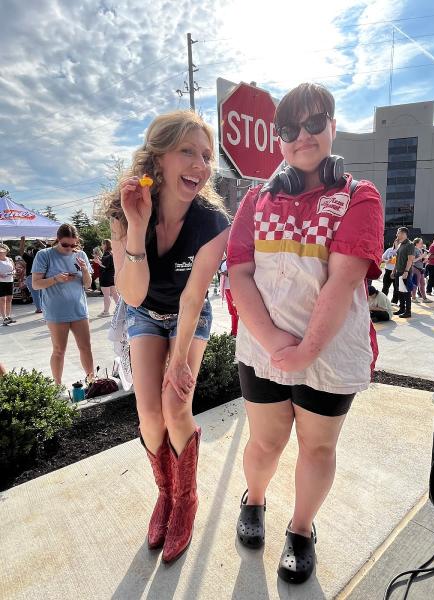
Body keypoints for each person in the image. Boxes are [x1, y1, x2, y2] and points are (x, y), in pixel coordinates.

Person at [227, 82, 383, 585]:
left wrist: (307, 350)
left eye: (315, 123)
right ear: (279, 139)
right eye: (289, 129)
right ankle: (253, 500)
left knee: (317, 449)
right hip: (262, 348)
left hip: (330, 356)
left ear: (333, 127)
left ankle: (300, 529)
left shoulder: (359, 196)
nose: (302, 136)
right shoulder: (255, 198)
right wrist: (276, 344)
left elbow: (344, 278)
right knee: (266, 444)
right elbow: (240, 273)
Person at [105, 110, 230, 563]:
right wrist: (136, 229)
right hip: (144, 311)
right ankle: (166, 494)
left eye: (206, 156)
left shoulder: (213, 222)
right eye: (188, 152)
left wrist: (179, 360)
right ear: (159, 156)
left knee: (176, 404)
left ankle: (188, 499)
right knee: (148, 414)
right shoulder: (124, 209)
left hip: (187, 314)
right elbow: (133, 294)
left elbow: (195, 296)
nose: (200, 164)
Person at [31, 223, 94, 385]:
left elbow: (87, 284)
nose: (69, 248)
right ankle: (57, 386)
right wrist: (56, 279)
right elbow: (36, 284)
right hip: (56, 311)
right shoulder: (44, 255)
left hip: (79, 309)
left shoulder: (80, 255)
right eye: (65, 244)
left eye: (73, 245)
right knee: (59, 350)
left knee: (85, 347)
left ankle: (92, 380)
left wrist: (85, 270)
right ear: (57, 240)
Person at [393, 227, 415, 319]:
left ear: (403, 233)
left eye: (398, 233)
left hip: (405, 272)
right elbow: (397, 259)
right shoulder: (400, 244)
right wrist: (394, 270)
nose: (397, 235)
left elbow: (410, 260)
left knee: (406, 292)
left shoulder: (410, 244)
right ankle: (401, 309)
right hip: (398, 271)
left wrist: (406, 271)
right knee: (400, 292)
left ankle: (408, 311)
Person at [94, 239, 119, 317]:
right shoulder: (112, 253)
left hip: (105, 276)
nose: (101, 246)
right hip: (112, 276)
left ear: (105, 244)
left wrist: (97, 262)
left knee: (106, 295)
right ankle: (121, 310)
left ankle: (106, 311)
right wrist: (100, 261)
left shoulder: (107, 253)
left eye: (102, 244)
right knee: (115, 294)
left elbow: (105, 265)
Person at [19, 238, 45, 313]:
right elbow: (46, 248)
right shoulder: (42, 259)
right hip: (40, 277)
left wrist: (23, 239)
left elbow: (21, 251)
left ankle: (39, 308)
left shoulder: (30, 258)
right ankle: (41, 308)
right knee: (40, 294)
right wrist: (39, 241)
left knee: (36, 293)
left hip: (32, 277)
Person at [220, 257, 239, 336]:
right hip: (227, 288)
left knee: (236, 312)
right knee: (232, 312)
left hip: (234, 288)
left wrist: (226, 273)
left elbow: (237, 272)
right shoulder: (225, 260)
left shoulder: (236, 259)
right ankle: (234, 331)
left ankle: (236, 332)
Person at [0, 243, 16, 326]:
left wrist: (13, 272)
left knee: (9, 299)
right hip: (1, 282)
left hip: (10, 280)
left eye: (3, 250)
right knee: (2, 300)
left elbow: (14, 269)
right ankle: (4, 318)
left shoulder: (10, 259)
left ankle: (9, 316)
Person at [411, 238, 431, 303]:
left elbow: (421, 261)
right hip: (415, 268)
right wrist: (422, 256)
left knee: (422, 284)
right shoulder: (414, 250)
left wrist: (426, 258)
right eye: (421, 243)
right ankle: (413, 298)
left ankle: (424, 298)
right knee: (415, 284)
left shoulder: (420, 250)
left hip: (420, 269)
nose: (422, 244)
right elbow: (413, 260)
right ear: (416, 243)